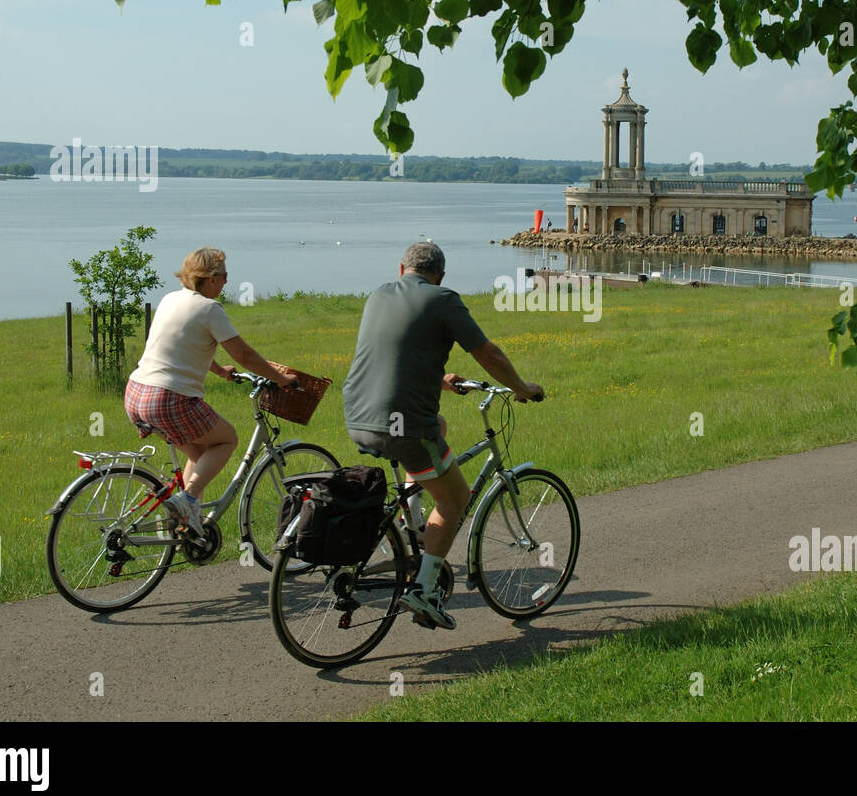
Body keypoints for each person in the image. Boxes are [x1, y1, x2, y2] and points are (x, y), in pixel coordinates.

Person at [342, 242, 543, 629]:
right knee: (456, 498)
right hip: (404, 427)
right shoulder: (444, 299)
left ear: (401, 268)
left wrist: (440, 380)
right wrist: (520, 387)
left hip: (358, 417)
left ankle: (413, 521)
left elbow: (392, 356)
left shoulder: (379, 295)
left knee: (440, 428)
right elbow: (489, 355)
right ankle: (424, 591)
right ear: (441, 275)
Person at [124, 247, 296, 541]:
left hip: (137, 394)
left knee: (202, 453)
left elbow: (180, 344)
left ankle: (182, 528)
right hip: (169, 400)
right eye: (224, 276)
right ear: (210, 279)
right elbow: (244, 354)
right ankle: (188, 500)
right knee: (226, 439)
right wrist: (280, 378)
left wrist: (217, 370)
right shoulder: (209, 309)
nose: (227, 282)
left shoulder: (171, 299)